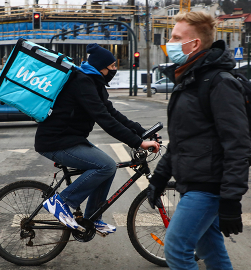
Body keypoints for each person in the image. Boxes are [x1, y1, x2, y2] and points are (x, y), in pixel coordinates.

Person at [146, 11, 251, 270]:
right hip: (194, 181)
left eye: (175, 37)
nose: (169, 42)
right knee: (210, 249)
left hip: (208, 186)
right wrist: (159, 179)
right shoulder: (191, 80)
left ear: (194, 44)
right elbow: (183, 140)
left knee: (176, 249)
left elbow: (237, 145)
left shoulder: (219, 83)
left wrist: (231, 200)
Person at [35, 43, 159, 233]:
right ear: (101, 67)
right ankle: (61, 202)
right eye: (112, 66)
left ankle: (92, 218)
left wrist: (143, 132)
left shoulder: (94, 83)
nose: (115, 70)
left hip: (70, 139)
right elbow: (105, 120)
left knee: (108, 167)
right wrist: (139, 143)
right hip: (55, 141)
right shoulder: (82, 82)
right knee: (106, 165)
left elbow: (113, 114)